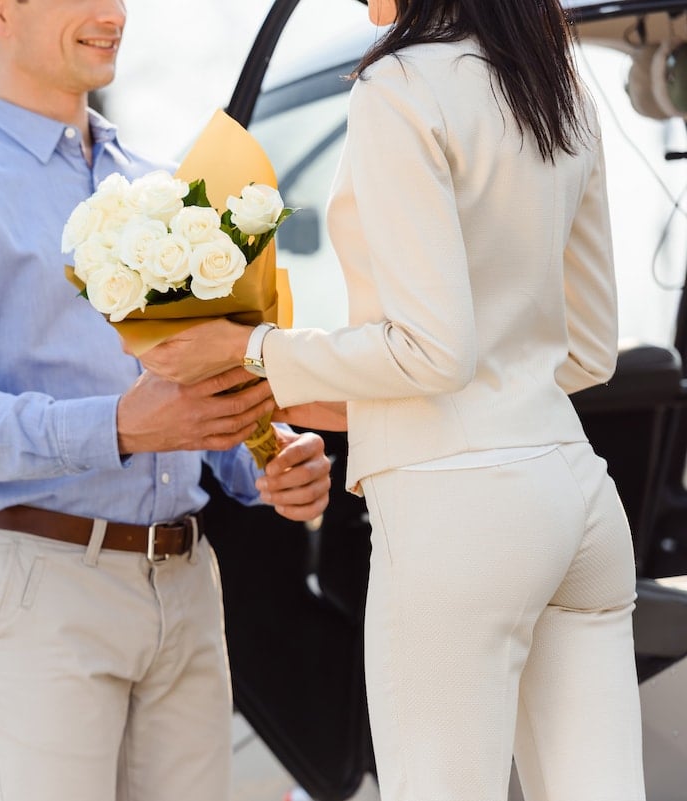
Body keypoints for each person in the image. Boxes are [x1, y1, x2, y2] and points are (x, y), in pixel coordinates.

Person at [137, 0, 646, 799]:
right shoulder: (559, 86)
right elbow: (587, 349)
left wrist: (249, 350)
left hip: (462, 515)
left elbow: (431, 350)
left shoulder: (400, 84)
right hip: (578, 496)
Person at [0, 2, 334, 800]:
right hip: (41, 585)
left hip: (185, 582)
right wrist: (115, 428)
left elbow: (191, 396)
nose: (111, 13)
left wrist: (266, 456)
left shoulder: (166, 188)